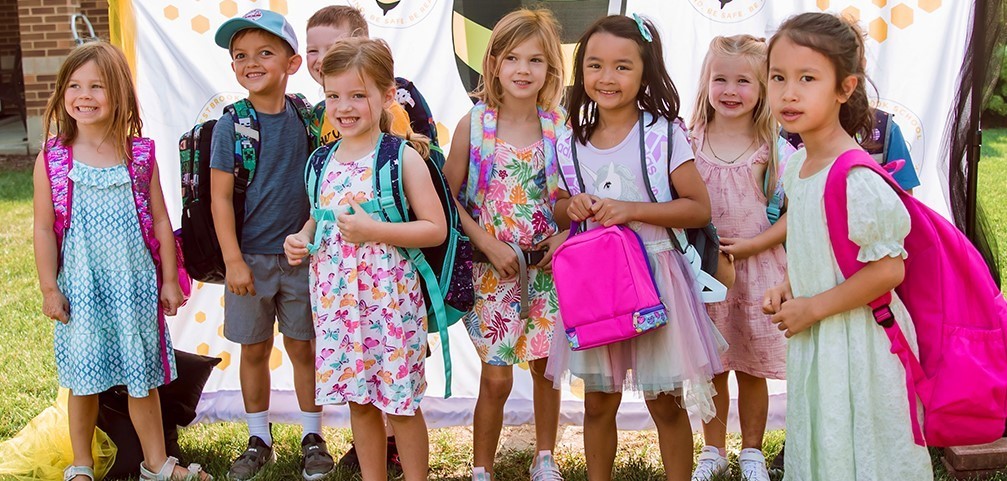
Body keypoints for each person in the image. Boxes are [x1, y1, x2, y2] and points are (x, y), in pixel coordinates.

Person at [545, 14, 725, 481]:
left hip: (657, 281)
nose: (607, 78)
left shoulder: (663, 135)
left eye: (623, 67)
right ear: (580, 70)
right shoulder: (568, 143)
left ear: (645, 71)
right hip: (598, 286)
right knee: (598, 403)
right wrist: (573, 206)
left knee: (663, 403)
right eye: (595, 65)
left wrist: (632, 209)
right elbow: (560, 207)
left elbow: (697, 209)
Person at [763, 12, 934, 480]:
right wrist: (789, 282)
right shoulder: (799, 169)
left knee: (865, 449)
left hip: (861, 344)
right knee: (827, 441)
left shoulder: (856, 177)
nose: (789, 92)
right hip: (821, 336)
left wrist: (813, 307)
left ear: (844, 87)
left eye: (807, 78)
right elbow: (819, 245)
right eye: (778, 77)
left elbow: (887, 271)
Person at [32, 41, 210, 481]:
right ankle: (81, 466)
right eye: (74, 85)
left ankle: (156, 463)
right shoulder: (53, 159)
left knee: (141, 380)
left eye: (97, 85)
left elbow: (164, 223)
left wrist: (170, 279)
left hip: (134, 288)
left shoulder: (139, 155)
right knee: (83, 382)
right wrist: (49, 289)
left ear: (120, 95)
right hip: (82, 290)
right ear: (61, 93)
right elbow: (41, 228)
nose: (84, 95)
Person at [283, 37, 446, 481]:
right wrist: (299, 239)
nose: (344, 106)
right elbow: (316, 222)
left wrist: (377, 231)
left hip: (389, 305)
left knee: (402, 403)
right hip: (338, 305)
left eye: (358, 95)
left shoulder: (401, 158)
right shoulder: (321, 161)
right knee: (360, 400)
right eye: (334, 95)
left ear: (386, 96)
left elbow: (435, 228)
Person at [442, 8, 567, 481]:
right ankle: (481, 468)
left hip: (547, 273)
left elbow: (568, 198)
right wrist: (486, 243)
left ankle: (545, 457)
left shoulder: (559, 128)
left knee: (544, 369)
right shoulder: (473, 126)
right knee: (496, 376)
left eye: (535, 61)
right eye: (512, 58)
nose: (522, 70)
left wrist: (562, 235)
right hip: (491, 273)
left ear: (550, 70)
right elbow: (448, 198)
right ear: (492, 63)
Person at [209, 9, 333, 480]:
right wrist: (233, 261)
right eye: (241, 56)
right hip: (250, 262)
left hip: (301, 258)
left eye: (265, 53)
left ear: (293, 63)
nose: (251, 63)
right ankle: (258, 437)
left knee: (304, 348)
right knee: (254, 350)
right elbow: (220, 200)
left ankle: (312, 435)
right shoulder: (230, 126)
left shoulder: (307, 118)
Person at [686, 35, 787, 481]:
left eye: (743, 80)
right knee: (712, 365)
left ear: (763, 86)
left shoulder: (773, 146)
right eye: (720, 78)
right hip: (706, 270)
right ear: (705, 82)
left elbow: (793, 216)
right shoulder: (690, 140)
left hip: (757, 269)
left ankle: (751, 452)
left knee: (750, 366)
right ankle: (712, 449)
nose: (730, 90)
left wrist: (752, 245)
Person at [305, 5, 438, 148]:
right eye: (313, 50)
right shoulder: (318, 115)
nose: (321, 59)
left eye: (334, 49)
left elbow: (402, 159)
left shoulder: (388, 109)